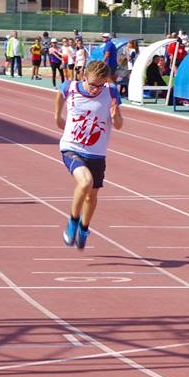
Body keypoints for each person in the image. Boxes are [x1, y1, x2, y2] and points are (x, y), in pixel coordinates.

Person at [54, 60, 123, 250]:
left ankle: (84, 228)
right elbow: (59, 94)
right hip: (72, 148)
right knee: (85, 182)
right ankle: (72, 222)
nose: (96, 89)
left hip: (97, 153)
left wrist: (115, 115)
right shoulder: (71, 87)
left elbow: (118, 125)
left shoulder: (111, 92)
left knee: (91, 196)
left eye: (100, 85)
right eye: (92, 84)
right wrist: (57, 116)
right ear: (84, 77)